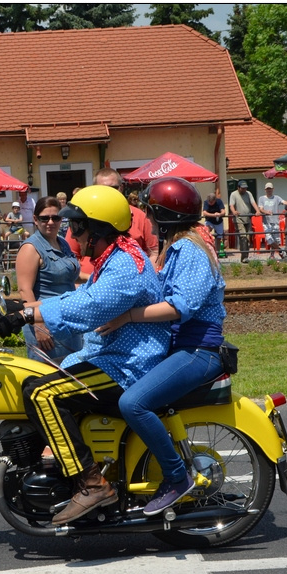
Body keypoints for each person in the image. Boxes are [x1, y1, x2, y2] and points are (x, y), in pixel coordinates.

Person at [0, 185, 168, 525]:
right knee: (44, 380)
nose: (71, 232)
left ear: (98, 228)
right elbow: (83, 294)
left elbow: (88, 306)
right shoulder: (115, 257)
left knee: (41, 394)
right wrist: (24, 309)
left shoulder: (125, 266)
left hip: (129, 364)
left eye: (77, 226)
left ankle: (91, 483)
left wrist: (27, 315)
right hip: (115, 355)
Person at [96, 177, 225, 515]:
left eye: (151, 214)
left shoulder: (192, 250)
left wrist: (127, 316)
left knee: (133, 403)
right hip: (181, 347)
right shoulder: (176, 248)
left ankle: (176, 475)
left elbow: (179, 306)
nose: (148, 221)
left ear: (164, 217)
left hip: (197, 351)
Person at [15, 196, 83, 364]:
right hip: (46, 323)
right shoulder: (31, 248)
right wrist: (38, 326)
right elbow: (25, 290)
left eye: (56, 217)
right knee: (48, 377)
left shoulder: (62, 243)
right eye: (45, 218)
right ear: (36, 220)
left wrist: (98, 277)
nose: (51, 222)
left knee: (72, 374)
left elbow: (70, 274)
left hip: (68, 320)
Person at [258, 182, 287, 259]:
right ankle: (280, 251)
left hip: (275, 221)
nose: (269, 190)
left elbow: (284, 202)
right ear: (265, 190)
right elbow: (260, 209)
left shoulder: (276, 198)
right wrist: (266, 212)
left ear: (273, 189)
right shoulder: (261, 198)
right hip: (266, 222)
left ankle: (272, 255)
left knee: (276, 240)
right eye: (267, 189)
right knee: (269, 239)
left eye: (270, 189)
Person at [228, 180, 258, 263]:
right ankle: (244, 257)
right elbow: (231, 205)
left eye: (245, 188)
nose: (244, 190)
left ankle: (245, 256)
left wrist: (257, 210)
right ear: (238, 188)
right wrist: (234, 212)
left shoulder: (249, 194)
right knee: (243, 237)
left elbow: (253, 203)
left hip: (248, 218)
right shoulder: (234, 194)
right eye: (242, 188)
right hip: (239, 219)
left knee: (248, 238)